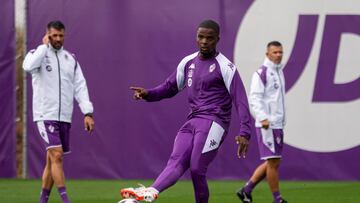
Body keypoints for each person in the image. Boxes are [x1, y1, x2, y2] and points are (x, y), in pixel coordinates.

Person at [120, 19, 251, 203]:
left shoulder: (226, 67)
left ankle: (150, 192)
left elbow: (241, 100)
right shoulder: (188, 62)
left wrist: (245, 130)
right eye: (201, 37)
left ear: (218, 39)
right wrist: (148, 94)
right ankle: (150, 192)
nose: (204, 41)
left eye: (209, 38)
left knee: (197, 168)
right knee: (175, 163)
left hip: (214, 121)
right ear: (196, 38)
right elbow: (169, 87)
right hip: (192, 121)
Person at [23, 20, 95, 203]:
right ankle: (65, 200)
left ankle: (42, 200)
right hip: (45, 114)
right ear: (47, 35)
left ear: (64, 35)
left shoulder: (70, 59)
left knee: (51, 160)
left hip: (64, 117)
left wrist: (87, 113)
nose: (58, 39)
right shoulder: (37, 54)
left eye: (61, 35)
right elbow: (28, 67)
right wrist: (42, 47)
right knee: (56, 155)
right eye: (54, 35)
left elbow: (80, 87)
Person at [236, 41, 287, 203]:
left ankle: (246, 190)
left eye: (280, 52)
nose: (278, 55)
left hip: (277, 123)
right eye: (275, 52)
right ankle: (277, 199)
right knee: (273, 162)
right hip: (267, 124)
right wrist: (262, 117)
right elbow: (255, 98)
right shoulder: (262, 73)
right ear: (267, 54)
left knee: (273, 160)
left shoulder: (279, 72)